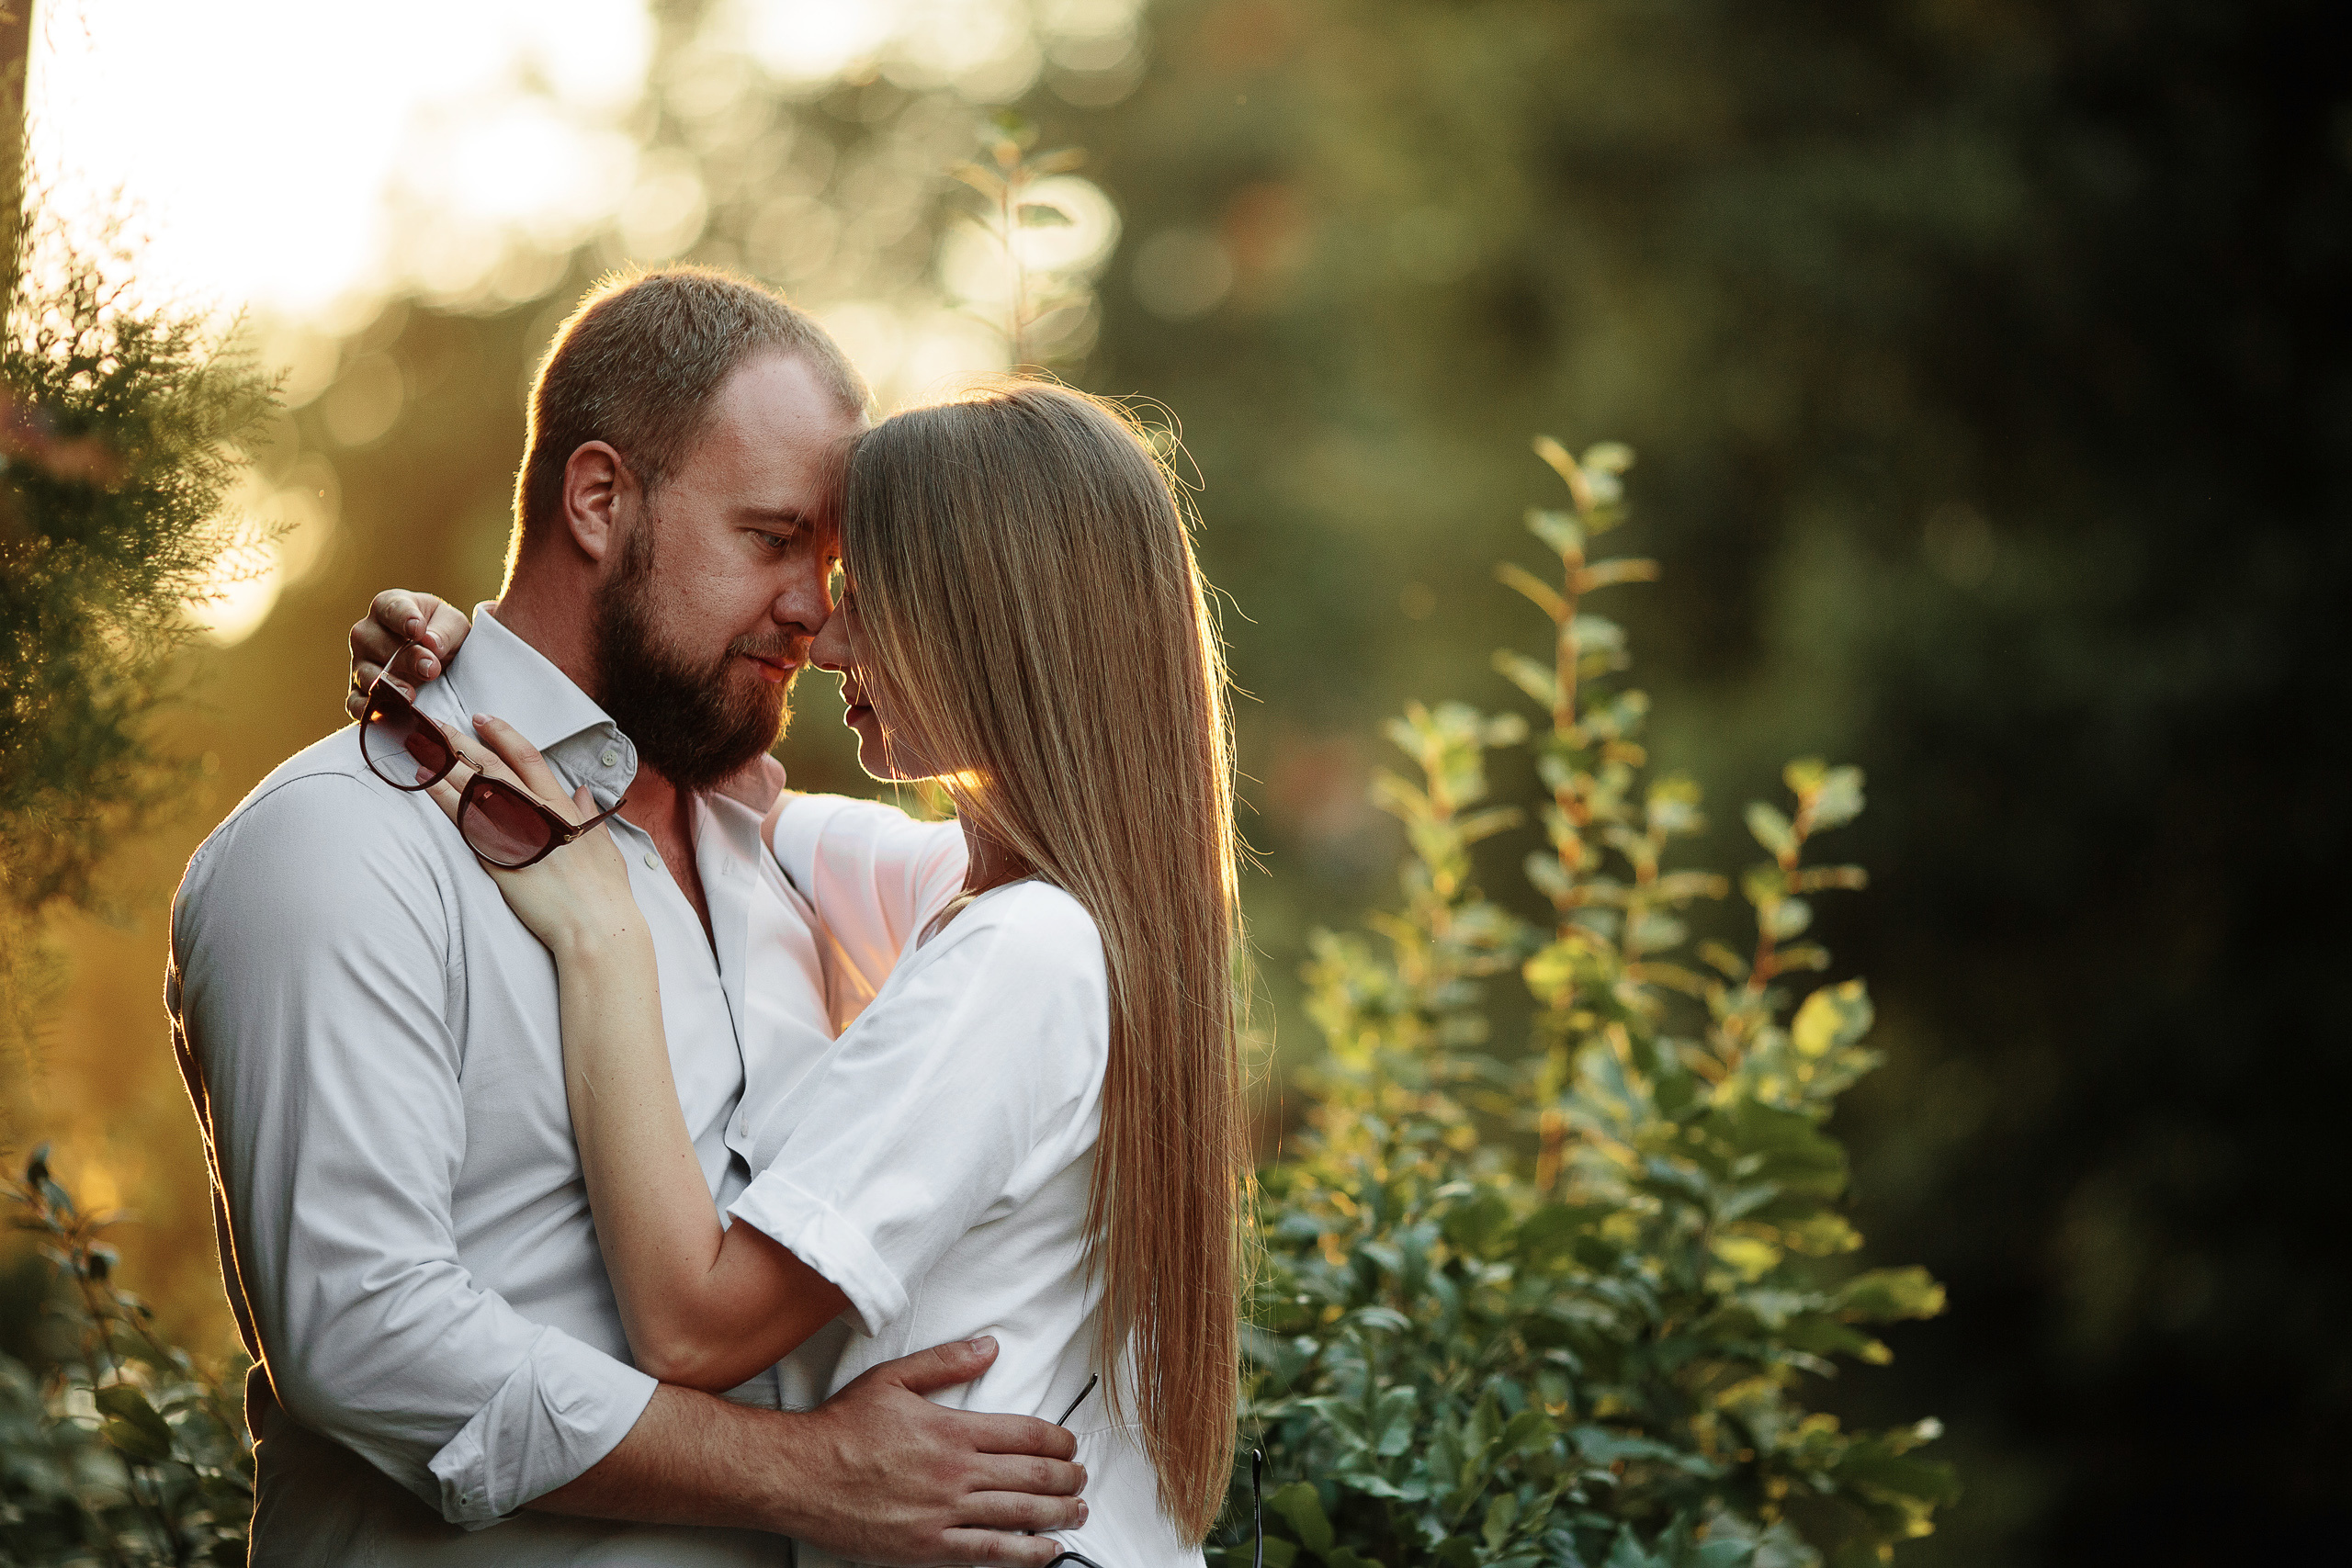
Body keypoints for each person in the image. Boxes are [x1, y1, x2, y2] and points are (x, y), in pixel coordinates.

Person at [168, 268, 1088, 1566]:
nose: (816, 611)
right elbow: (363, 1334)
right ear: (599, 500)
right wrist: (810, 1476)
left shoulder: (771, 849)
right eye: (772, 539)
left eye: (828, 562)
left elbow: (1080, 892)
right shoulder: (342, 842)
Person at [360, 379, 1247, 1568]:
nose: (824, 642)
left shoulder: (1024, 955)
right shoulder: (1030, 898)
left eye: (867, 600)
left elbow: (691, 1327)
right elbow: (737, 799)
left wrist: (603, 938)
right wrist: (473, 666)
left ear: (993, 627)